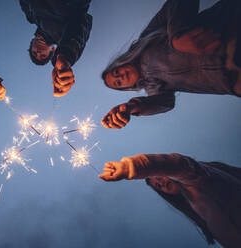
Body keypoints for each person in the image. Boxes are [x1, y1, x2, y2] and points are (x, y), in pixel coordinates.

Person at [101, 0, 241, 130]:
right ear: (127, 88)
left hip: (231, 26)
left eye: (116, 73)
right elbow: (164, 103)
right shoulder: (154, 87)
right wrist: (131, 107)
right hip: (234, 79)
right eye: (118, 83)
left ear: (120, 62)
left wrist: (177, 36)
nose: (121, 76)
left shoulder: (148, 37)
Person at [99, 153, 241, 247]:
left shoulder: (199, 178)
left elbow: (183, 166)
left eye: (159, 176)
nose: (160, 183)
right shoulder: (198, 207)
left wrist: (131, 167)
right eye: (157, 186)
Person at [20, 0, 92, 97]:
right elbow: (80, 24)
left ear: (32, 43)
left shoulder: (31, 16)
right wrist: (65, 56)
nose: (38, 52)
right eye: (43, 55)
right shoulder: (62, 36)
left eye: (34, 53)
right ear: (53, 50)